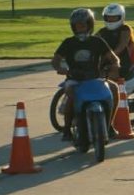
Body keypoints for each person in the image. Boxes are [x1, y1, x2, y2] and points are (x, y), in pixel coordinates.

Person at [51, 8, 120, 141]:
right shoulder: (68, 42)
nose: (80, 28)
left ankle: (109, 124)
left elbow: (113, 57)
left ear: (90, 25)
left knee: (114, 89)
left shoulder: (97, 41)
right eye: (77, 26)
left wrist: (115, 65)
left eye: (83, 25)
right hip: (74, 78)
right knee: (70, 94)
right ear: (73, 27)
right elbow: (56, 60)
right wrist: (60, 68)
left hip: (95, 78)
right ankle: (66, 130)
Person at [96, 2, 134, 81]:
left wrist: (109, 55)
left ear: (121, 17)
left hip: (122, 63)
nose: (110, 19)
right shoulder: (102, 31)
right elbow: (91, 41)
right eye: (108, 17)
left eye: (114, 17)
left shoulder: (125, 29)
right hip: (105, 62)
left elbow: (122, 45)